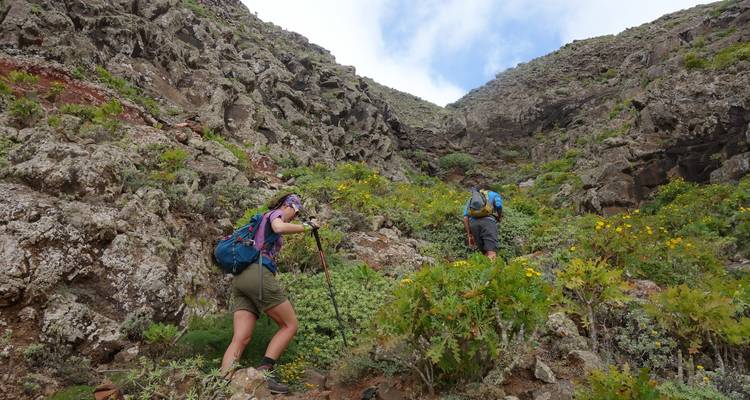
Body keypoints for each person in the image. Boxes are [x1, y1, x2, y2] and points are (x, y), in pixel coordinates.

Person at [220, 193, 317, 394]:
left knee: (241, 338)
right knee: (289, 325)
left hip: (241, 279)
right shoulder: (275, 214)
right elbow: (279, 227)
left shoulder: (263, 219)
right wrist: (308, 227)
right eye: (295, 212)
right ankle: (264, 373)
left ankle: (221, 384)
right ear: (288, 205)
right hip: (258, 273)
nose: (293, 217)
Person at [463, 188, 503, 260]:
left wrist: (469, 234)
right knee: (491, 252)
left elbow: (465, 217)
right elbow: (499, 205)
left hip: (474, 224)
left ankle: (485, 269)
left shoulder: (473, 198)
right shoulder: (494, 194)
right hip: (488, 223)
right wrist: (499, 217)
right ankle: (493, 270)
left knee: (484, 252)